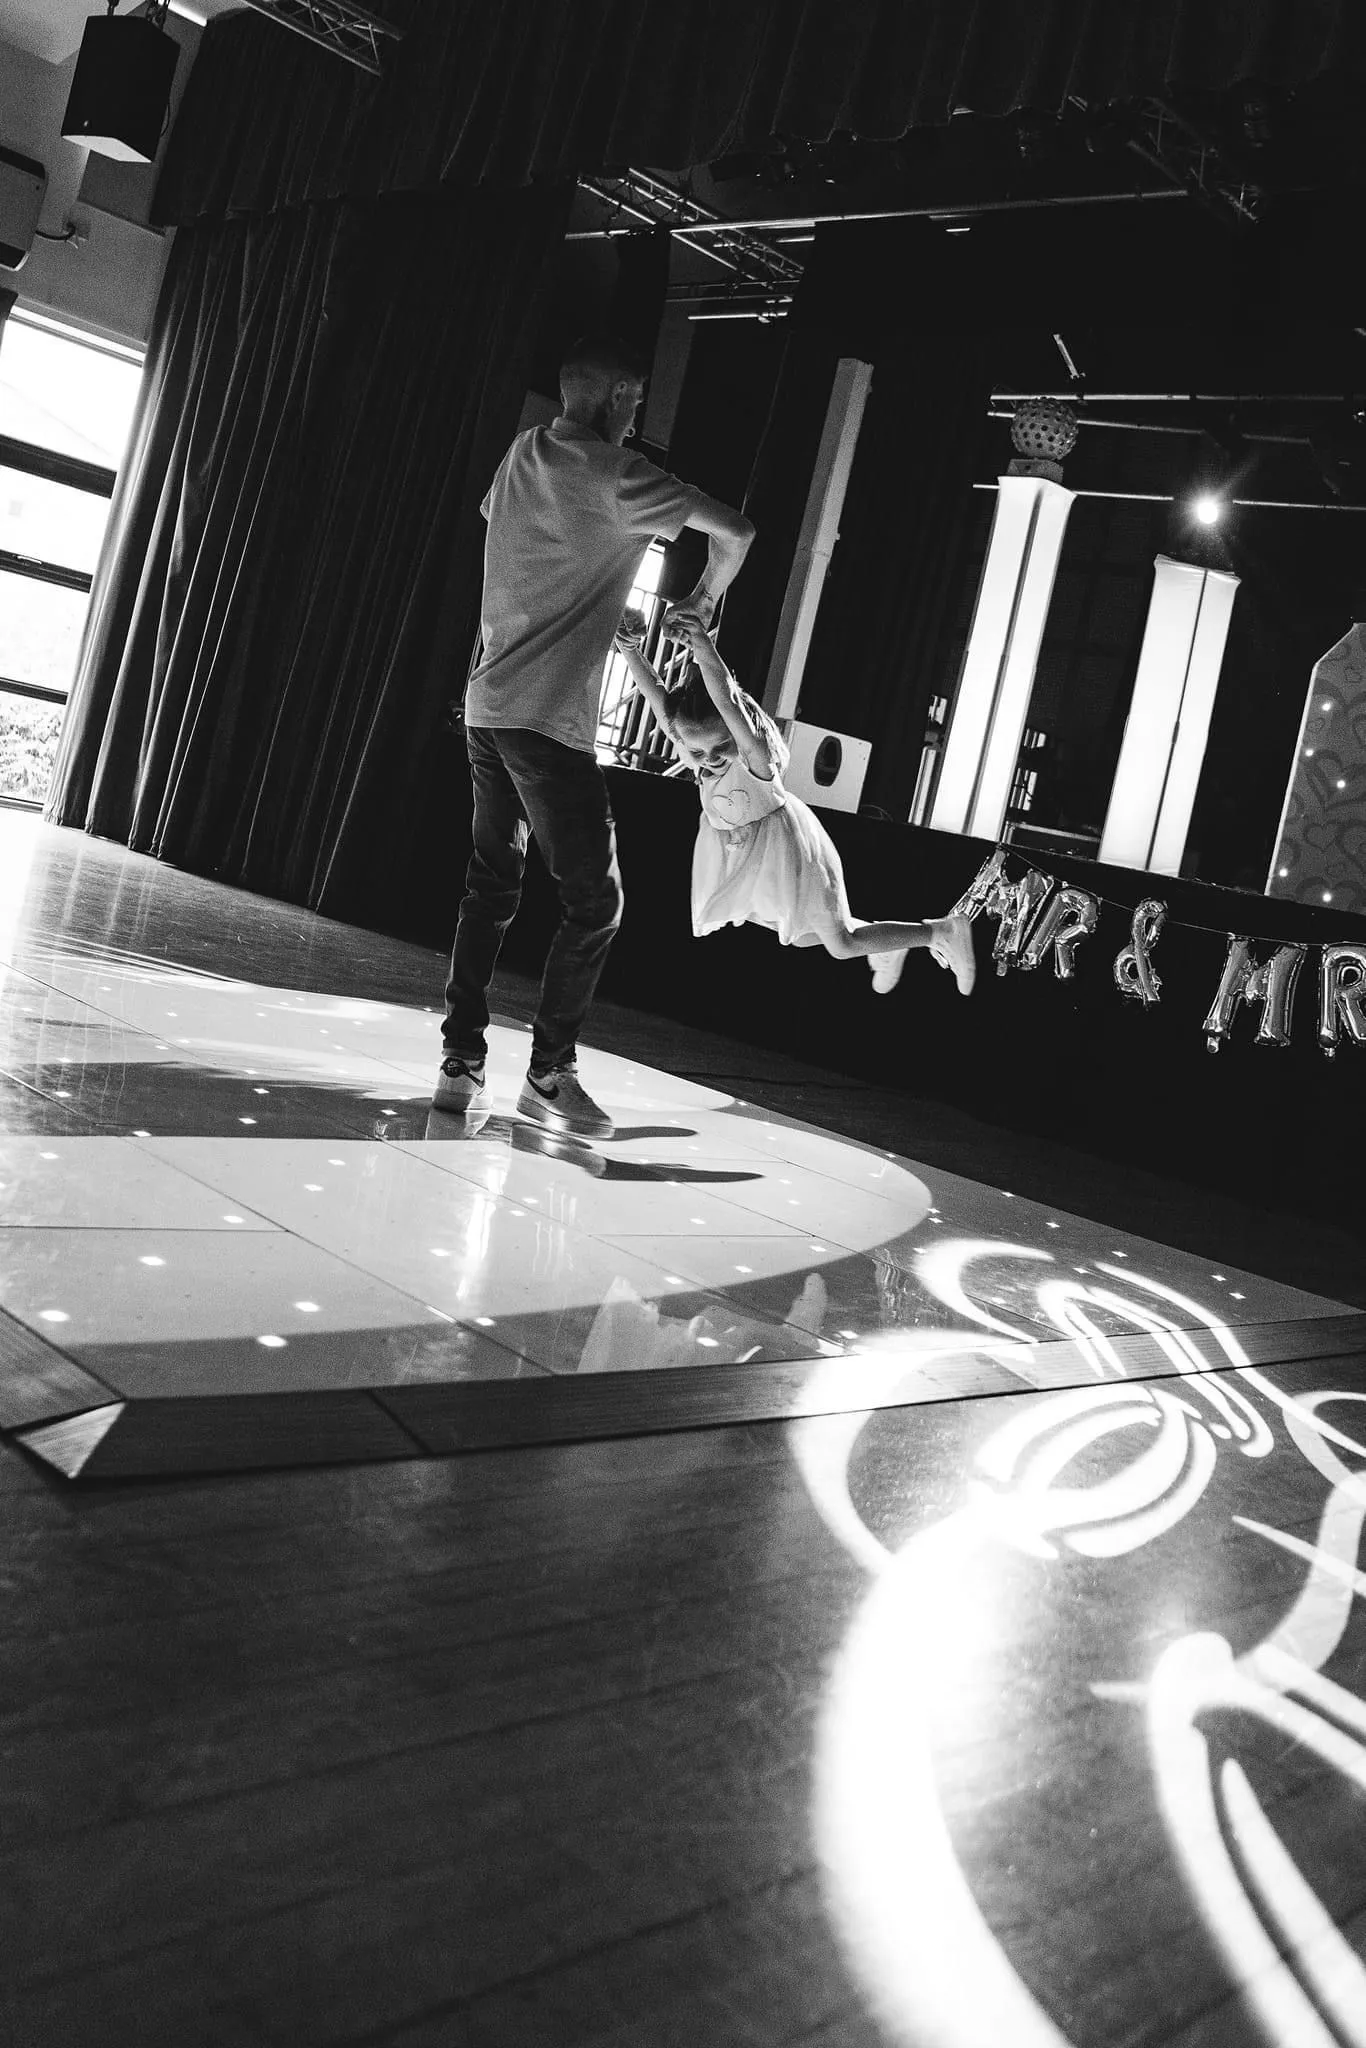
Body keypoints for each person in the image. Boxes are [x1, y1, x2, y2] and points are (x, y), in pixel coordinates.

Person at [436, 333, 755, 1137]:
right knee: (596, 900)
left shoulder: (522, 453)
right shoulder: (620, 475)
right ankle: (549, 1073)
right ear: (619, 398)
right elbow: (737, 532)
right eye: (637, 402)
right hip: (548, 721)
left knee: (492, 884)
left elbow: (505, 530)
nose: (636, 416)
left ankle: (460, 1061)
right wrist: (706, 599)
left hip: (486, 704)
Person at [613, 610, 977, 996]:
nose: (710, 757)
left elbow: (726, 697)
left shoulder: (755, 762)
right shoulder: (697, 759)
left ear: (741, 732)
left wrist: (702, 645)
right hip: (746, 857)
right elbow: (657, 697)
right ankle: (890, 943)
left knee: (841, 944)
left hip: (790, 852)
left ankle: (938, 931)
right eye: (699, 751)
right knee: (803, 936)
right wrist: (629, 649)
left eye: (722, 745)